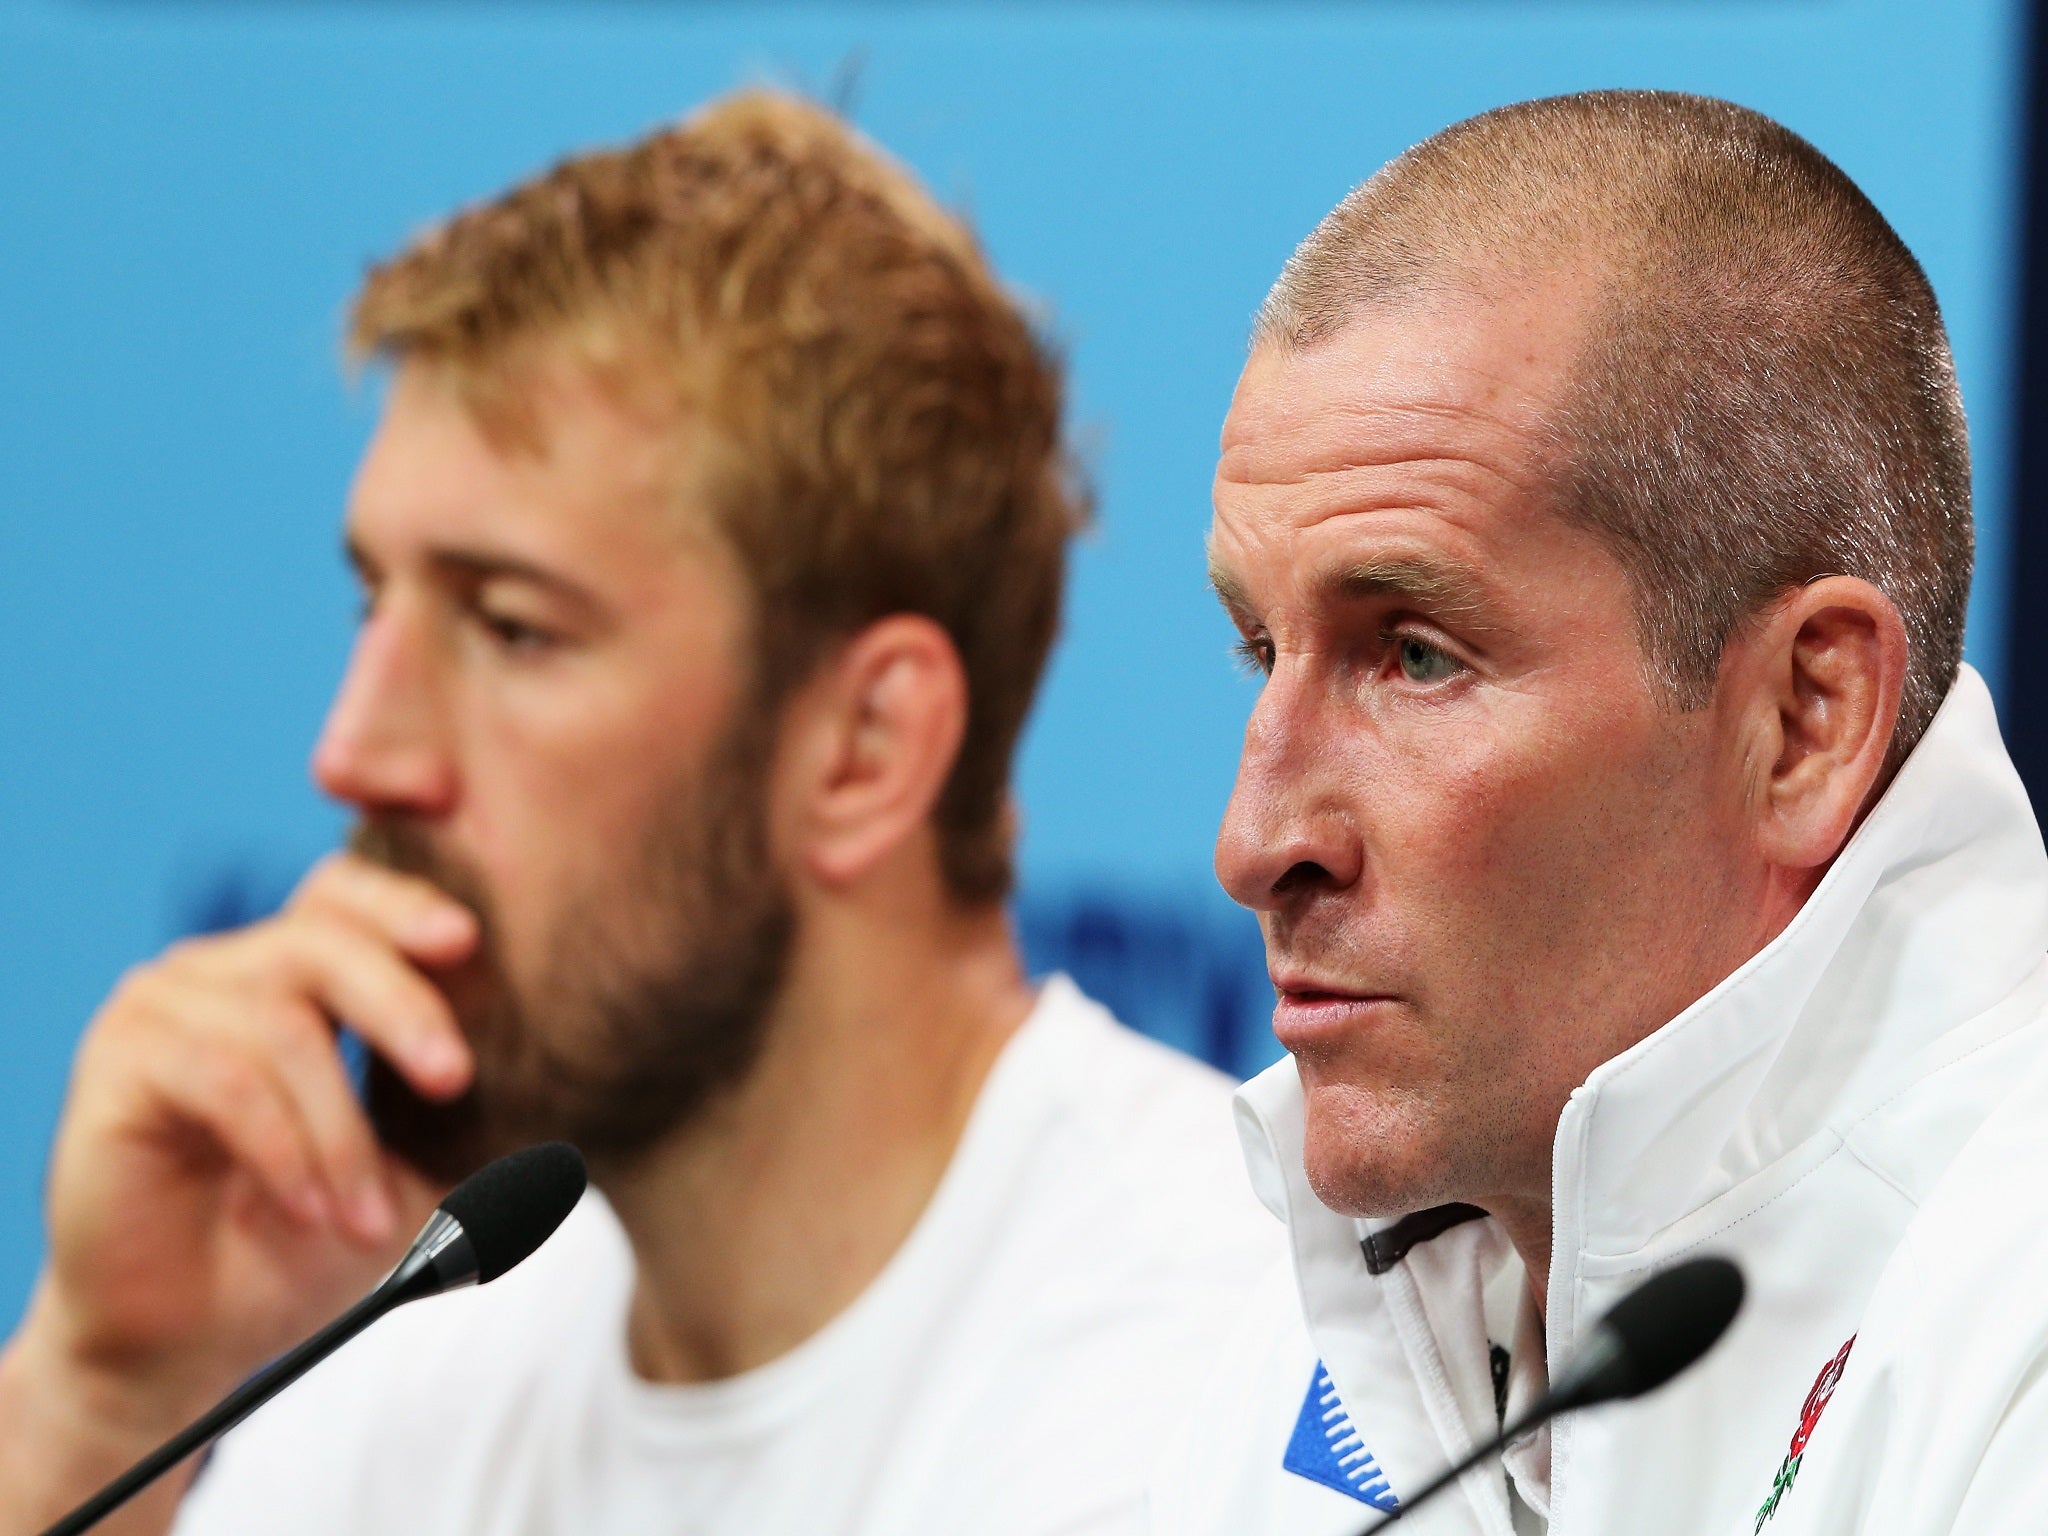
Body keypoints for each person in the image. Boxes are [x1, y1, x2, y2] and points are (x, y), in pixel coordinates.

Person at [0, 90, 1277, 1536]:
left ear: (863, 746)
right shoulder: (405, 1342)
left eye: (513, 628)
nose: (352, 753)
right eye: (374, 602)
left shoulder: (1238, 1389)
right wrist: (99, 1400)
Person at [1149, 90, 2048, 1535]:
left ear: (1803, 722)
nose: (1255, 846)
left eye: (1417, 657)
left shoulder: (2016, 1327)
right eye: (1263, 652)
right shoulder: (1305, 1348)